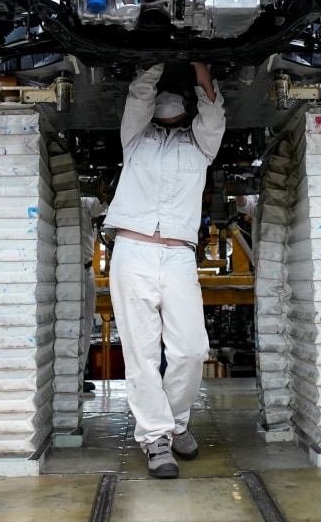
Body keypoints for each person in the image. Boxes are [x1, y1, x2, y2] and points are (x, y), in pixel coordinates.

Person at [103, 61, 226, 478]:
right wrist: (155, 60)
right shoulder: (135, 141)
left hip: (177, 256)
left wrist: (199, 67)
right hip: (133, 251)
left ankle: (174, 423)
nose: (168, 125)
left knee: (191, 350)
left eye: (176, 120)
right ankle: (157, 438)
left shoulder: (201, 148)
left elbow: (214, 110)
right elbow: (138, 97)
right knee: (141, 351)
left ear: (187, 117)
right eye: (163, 119)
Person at [80, 195, 107, 393]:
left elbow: (105, 201)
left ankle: (78, 376)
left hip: (85, 271)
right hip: (64, 271)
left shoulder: (85, 204)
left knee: (86, 325)